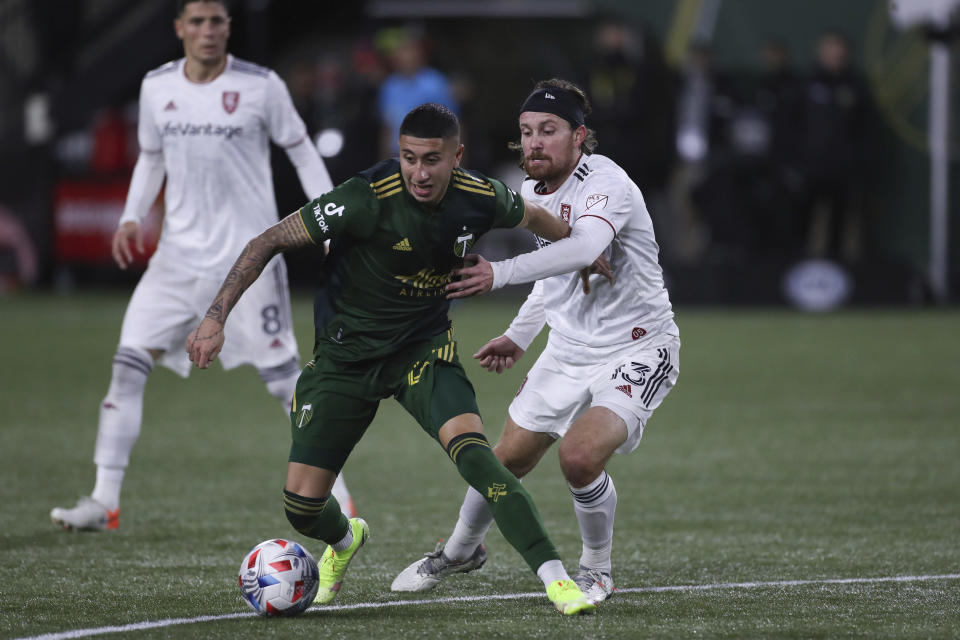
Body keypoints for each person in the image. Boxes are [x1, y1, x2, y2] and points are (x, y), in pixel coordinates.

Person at [186, 103, 598, 615]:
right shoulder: (363, 198)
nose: (419, 173)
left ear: (457, 157)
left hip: (421, 352)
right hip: (345, 360)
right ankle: (344, 540)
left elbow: (534, 215)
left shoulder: (480, 195)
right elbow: (267, 241)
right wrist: (215, 317)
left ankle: (557, 581)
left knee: (477, 456)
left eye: (431, 160)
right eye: (408, 159)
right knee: (302, 507)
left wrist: (587, 251)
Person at [50, 0, 356, 532]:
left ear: (228, 27)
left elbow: (302, 149)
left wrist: (328, 218)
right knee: (126, 367)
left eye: (217, 21)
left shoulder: (261, 86)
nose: (208, 31)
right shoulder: (157, 87)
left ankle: (343, 504)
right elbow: (150, 155)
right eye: (197, 21)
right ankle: (104, 501)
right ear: (179, 29)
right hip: (175, 260)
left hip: (249, 260)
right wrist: (129, 217)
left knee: (287, 384)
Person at [391, 79, 680, 606]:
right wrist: (519, 335)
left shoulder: (607, 183)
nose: (534, 143)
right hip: (567, 350)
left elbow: (585, 246)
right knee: (500, 461)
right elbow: (556, 277)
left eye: (549, 131)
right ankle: (459, 550)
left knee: (580, 456)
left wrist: (497, 274)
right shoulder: (531, 192)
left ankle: (596, 569)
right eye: (526, 132)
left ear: (579, 136)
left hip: (636, 346)